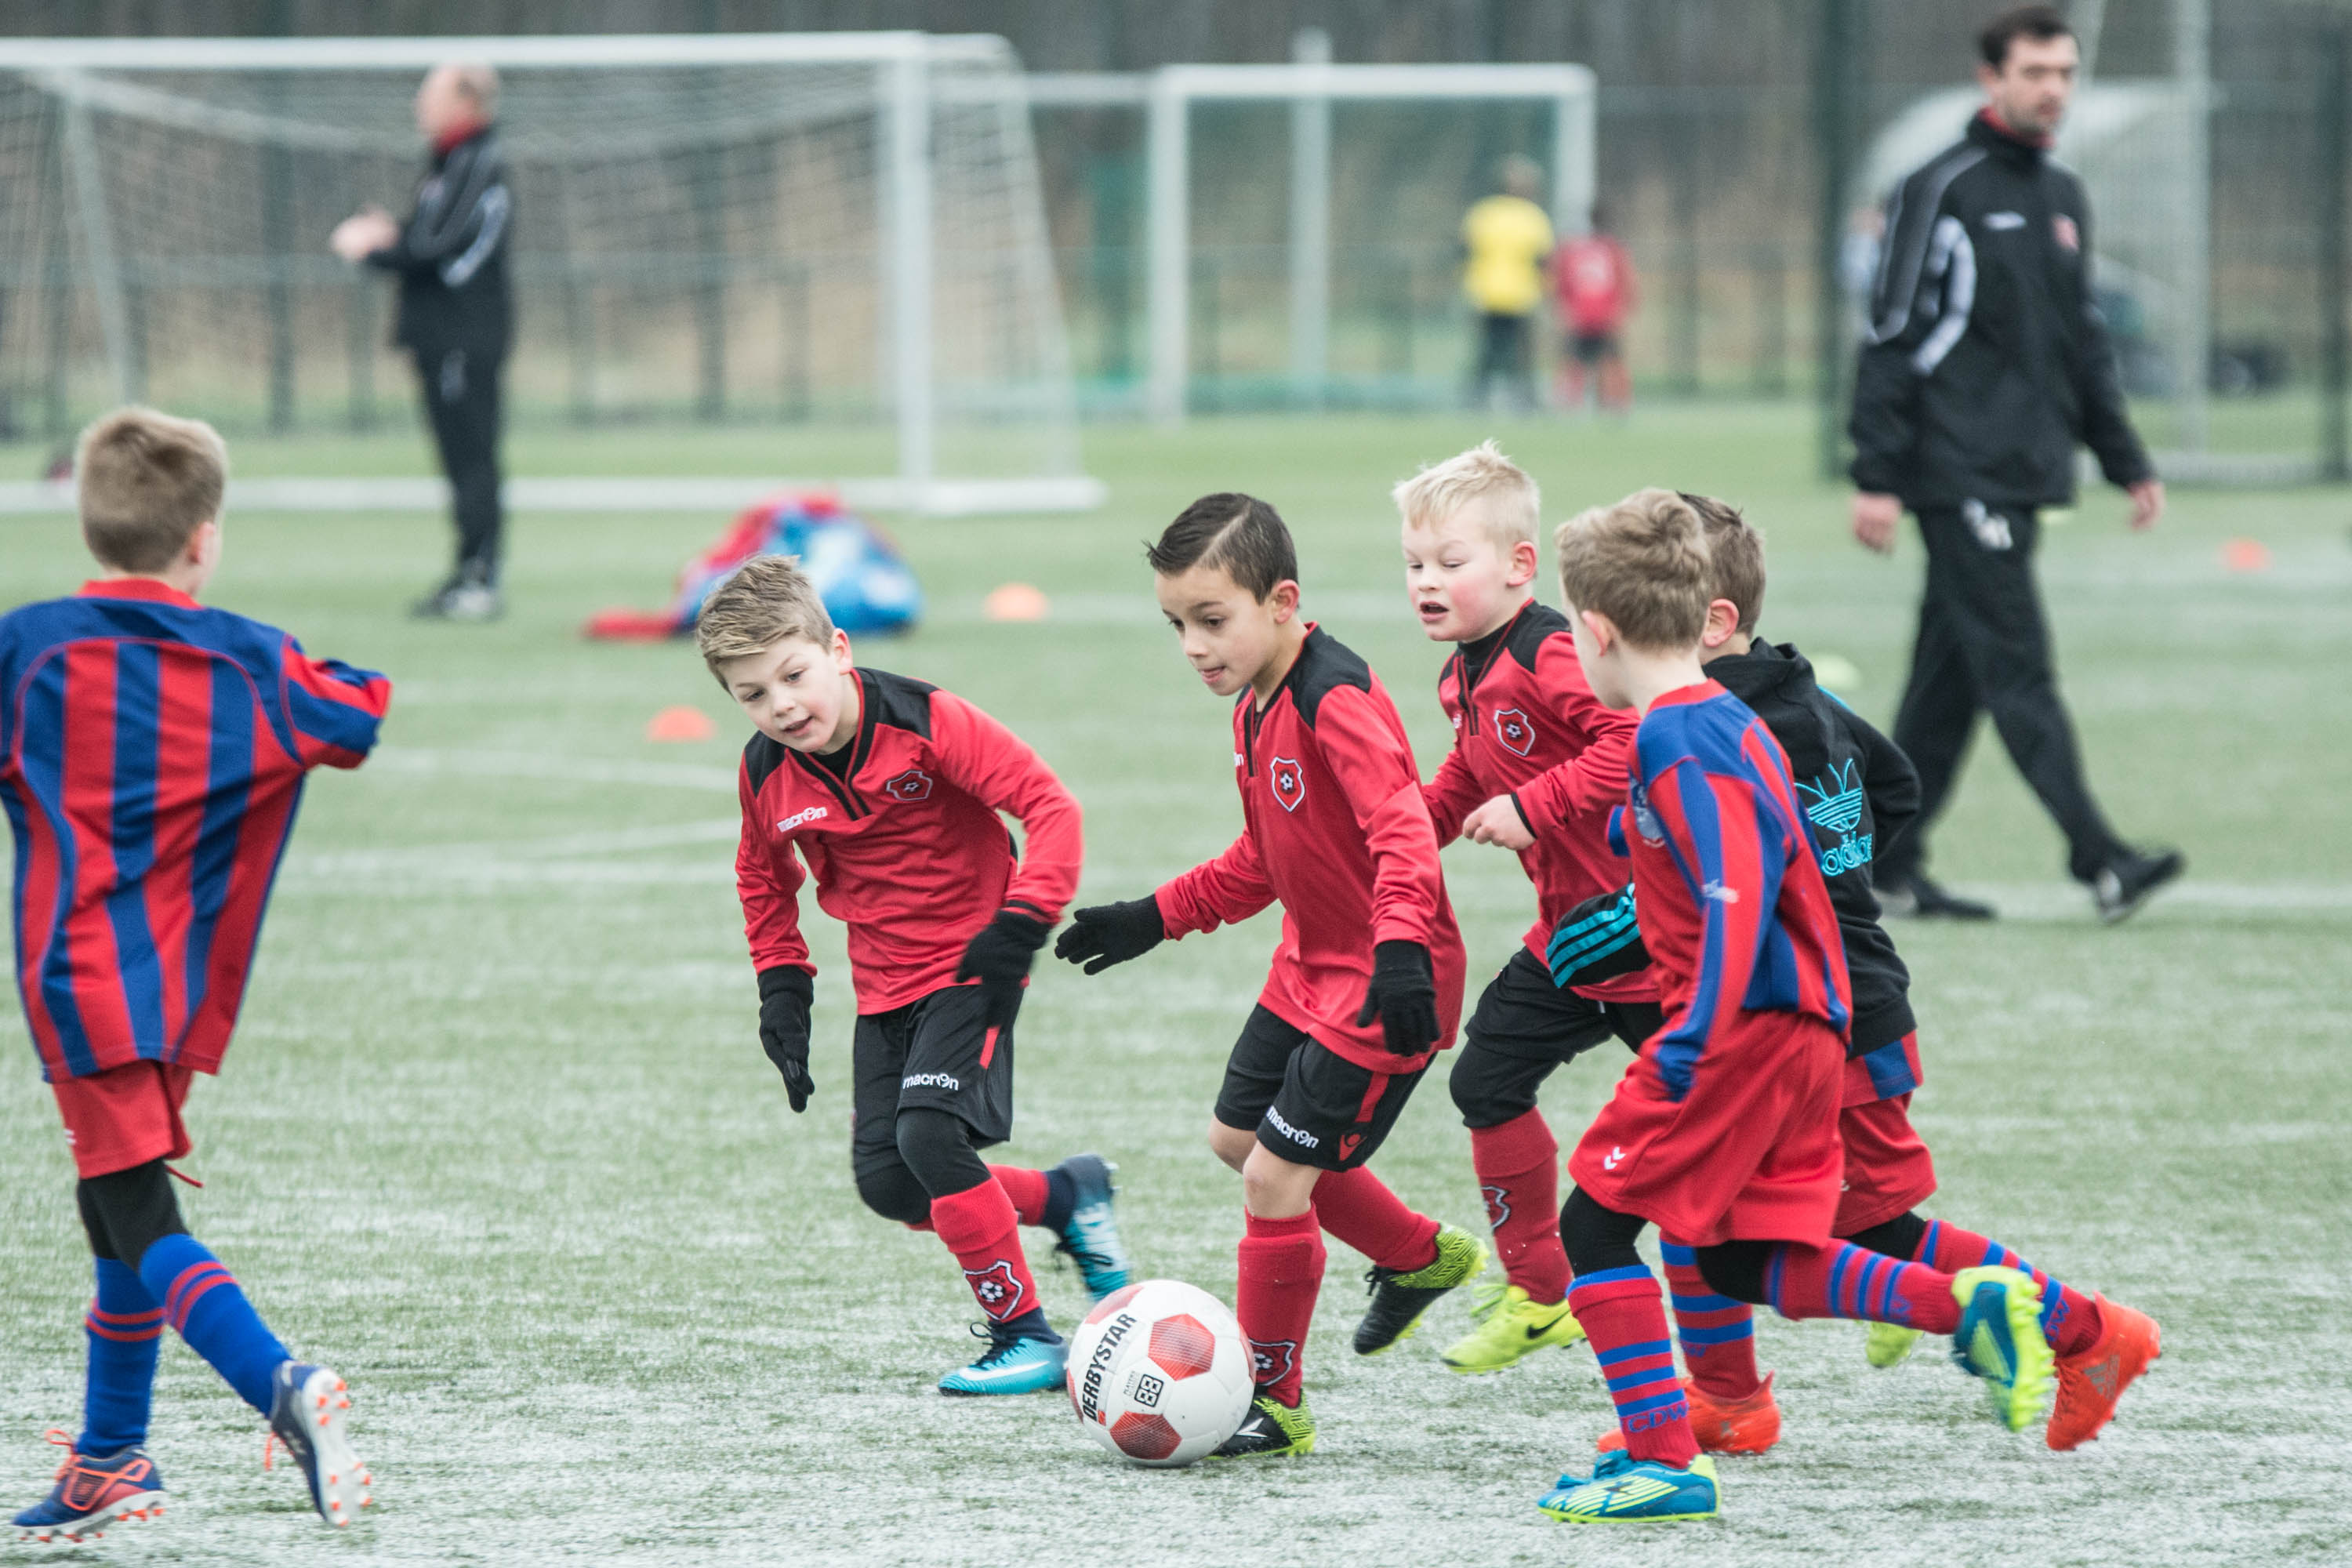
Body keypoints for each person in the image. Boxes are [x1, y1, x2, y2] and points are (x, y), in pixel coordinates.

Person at [1552, 495, 2161, 1461]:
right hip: (1806, 997)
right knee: (1708, 1223)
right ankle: (1727, 1399)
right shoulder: (1756, 705)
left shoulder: (1705, 725)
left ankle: (2084, 1330)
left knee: (1870, 1229)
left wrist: (1718, 968)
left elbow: (1734, 887)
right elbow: (1891, 785)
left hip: (1813, 1009)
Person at [2, 408, 390, 1542]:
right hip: (180, 985)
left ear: (88, 524)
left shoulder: (29, 650)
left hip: (79, 980)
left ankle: (279, 1381)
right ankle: (111, 1457)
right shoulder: (250, 660)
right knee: (111, 1198)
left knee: (134, 1203)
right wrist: (276, 658)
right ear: (203, 539)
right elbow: (357, 711)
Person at [1054, 495, 1485, 1460]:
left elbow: (1404, 832)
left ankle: (1277, 1401)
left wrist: (1402, 949)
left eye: (1212, 620)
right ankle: (1420, 1254)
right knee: (1236, 1138)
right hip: (1308, 968)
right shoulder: (1257, 702)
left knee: (1274, 1177)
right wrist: (1154, 916)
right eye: (1177, 624)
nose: (1193, 646)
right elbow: (1264, 856)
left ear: (1282, 602)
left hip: (1385, 979)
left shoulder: (1334, 698)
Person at [704, 554, 1131, 1398]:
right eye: (752, 694)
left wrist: (1022, 923)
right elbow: (762, 875)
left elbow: (1050, 806)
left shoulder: (927, 720)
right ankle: (1066, 1195)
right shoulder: (765, 771)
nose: (781, 704)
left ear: (838, 649)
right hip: (884, 982)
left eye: (793, 675)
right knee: (894, 1184)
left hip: (975, 963)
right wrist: (782, 986)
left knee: (931, 1136)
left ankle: (1027, 1336)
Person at [1849, 5, 2180, 923]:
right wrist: (1876, 472)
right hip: (1956, 474)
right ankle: (2101, 859)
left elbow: (2083, 343)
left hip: (2022, 474)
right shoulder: (1940, 187)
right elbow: (1892, 334)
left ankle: (1881, 864)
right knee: (2019, 669)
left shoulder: (2062, 195)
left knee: (1947, 681)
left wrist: (2125, 457)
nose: (2054, 89)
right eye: (2035, 72)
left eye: (2065, 73)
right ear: (1991, 78)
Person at [1387, 442, 1656, 1375]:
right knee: (1485, 1080)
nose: (1427, 581)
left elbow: (1635, 737)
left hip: (1645, 929)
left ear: (1519, 564)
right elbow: (1471, 773)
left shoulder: (1551, 648)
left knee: (1728, 1135)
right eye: (1414, 564)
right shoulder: (1462, 673)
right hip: (1572, 939)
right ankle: (1542, 1293)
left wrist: (1535, 806)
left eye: (1449, 562)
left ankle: (1880, 1254)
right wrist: (1398, 832)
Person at [331, 62, 514, 622]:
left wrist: (373, 250)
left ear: (466, 103)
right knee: (457, 459)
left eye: (430, 96)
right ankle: (468, 570)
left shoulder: (478, 163)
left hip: (464, 337)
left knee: (472, 457)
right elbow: (428, 236)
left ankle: (479, 578)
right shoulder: (449, 163)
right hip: (439, 339)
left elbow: (437, 251)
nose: (419, 106)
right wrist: (393, 234)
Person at [1461, 156, 1554, 412]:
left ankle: (1477, 399)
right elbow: (1542, 261)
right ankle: (1525, 400)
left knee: (1487, 351)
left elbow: (1466, 251)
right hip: (1521, 294)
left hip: (1486, 292)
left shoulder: (1483, 213)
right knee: (1523, 353)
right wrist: (1548, 292)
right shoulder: (1532, 217)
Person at [1552, 205, 1638, 414]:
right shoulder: (1614, 249)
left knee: (1574, 360)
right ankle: (1616, 402)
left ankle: (1569, 404)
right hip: (1606, 315)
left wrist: (1563, 309)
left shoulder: (1573, 249)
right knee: (1611, 360)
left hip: (1579, 315)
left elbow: (1561, 284)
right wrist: (1623, 310)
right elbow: (1626, 282)